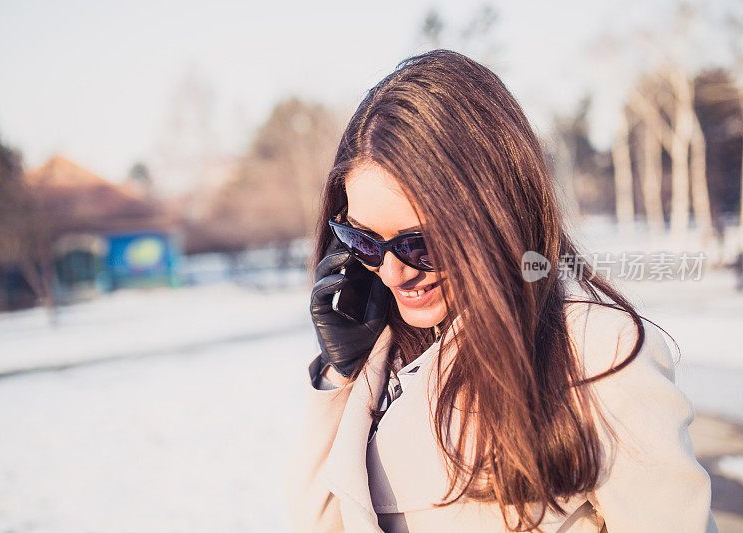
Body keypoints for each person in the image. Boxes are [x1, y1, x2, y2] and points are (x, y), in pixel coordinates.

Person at [284, 50, 716, 533]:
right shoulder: (384, 365)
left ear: (496, 216)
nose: (391, 273)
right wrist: (342, 377)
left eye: (421, 244)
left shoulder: (592, 352)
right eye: (363, 241)